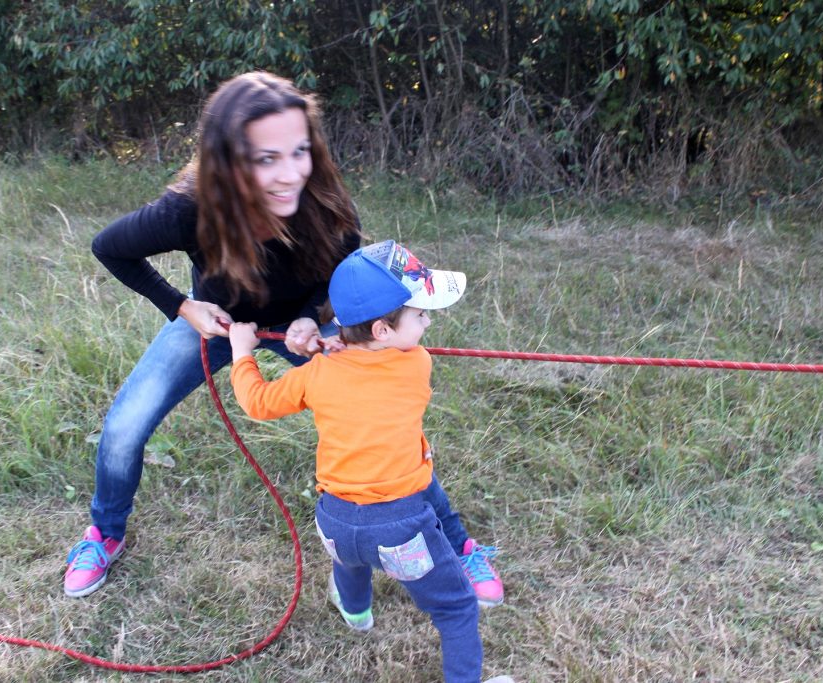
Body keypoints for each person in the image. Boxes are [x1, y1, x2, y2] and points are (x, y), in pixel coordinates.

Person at [62, 71, 362, 598]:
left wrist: (311, 317)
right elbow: (109, 247)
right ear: (228, 161)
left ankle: (437, 533)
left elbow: (345, 262)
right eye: (266, 158)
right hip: (218, 325)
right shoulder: (190, 208)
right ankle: (105, 534)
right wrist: (182, 307)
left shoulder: (320, 194)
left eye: (299, 151)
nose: (290, 173)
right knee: (125, 426)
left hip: (300, 326)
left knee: (374, 409)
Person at [228, 240, 513, 683]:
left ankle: (357, 613)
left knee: (353, 559)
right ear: (381, 330)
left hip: (334, 521)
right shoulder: (416, 363)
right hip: (401, 527)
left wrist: (242, 351)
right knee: (456, 608)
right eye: (420, 315)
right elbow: (369, 366)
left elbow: (258, 402)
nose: (427, 322)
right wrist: (330, 348)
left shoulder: (317, 373)